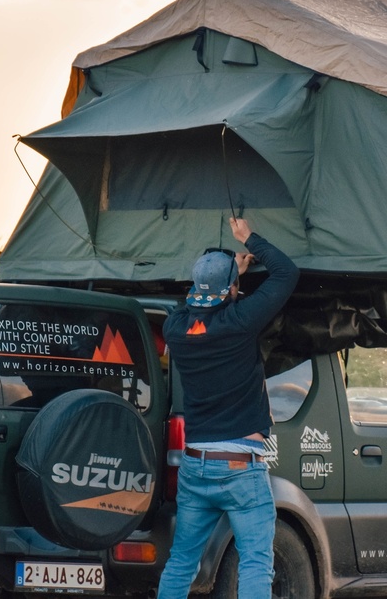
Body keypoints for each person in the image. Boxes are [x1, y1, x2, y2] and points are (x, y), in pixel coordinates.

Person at [157, 216, 299, 599]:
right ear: (231, 292)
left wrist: (224, 278)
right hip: (240, 468)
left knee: (182, 561)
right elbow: (286, 274)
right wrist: (247, 238)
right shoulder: (239, 322)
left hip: (195, 465)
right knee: (255, 560)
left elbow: (190, 307)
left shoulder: (176, 330)